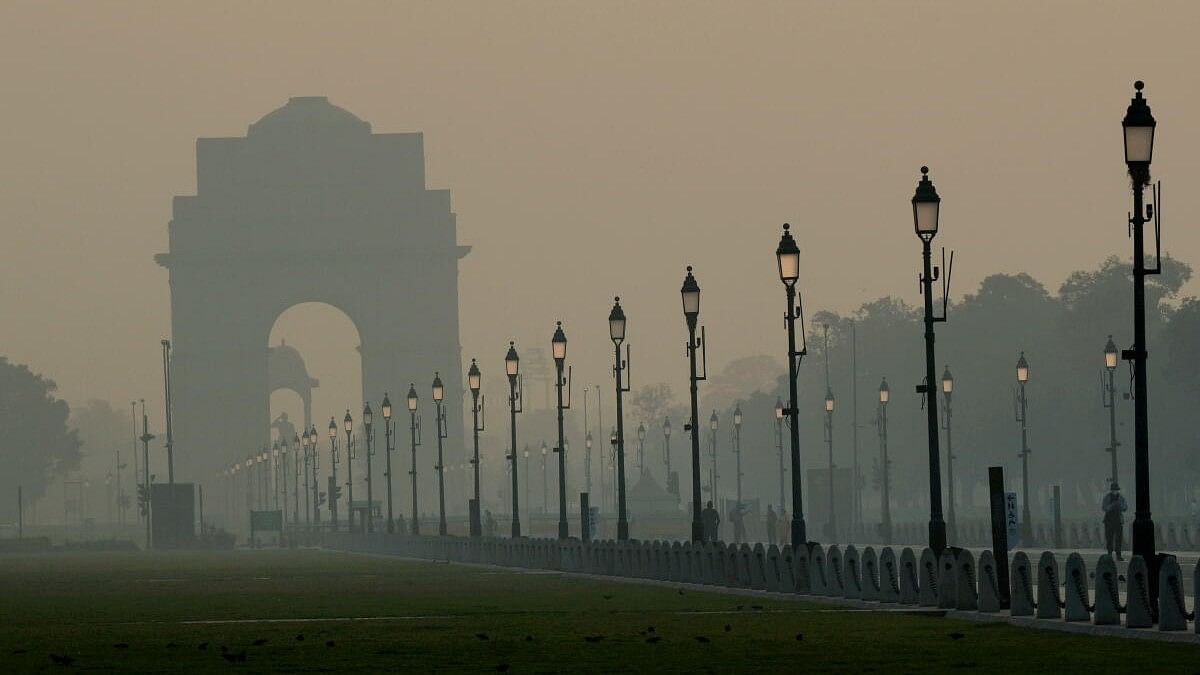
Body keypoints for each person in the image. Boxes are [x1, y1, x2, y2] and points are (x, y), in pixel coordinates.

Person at [1102, 482, 1128, 560]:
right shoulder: (1107, 497)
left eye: (1116, 490)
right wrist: (1113, 505)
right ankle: (1109, 554)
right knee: (1109, 538)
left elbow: (1125, 507)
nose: (1115, 491)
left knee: (1119, 539)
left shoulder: (1121, 498)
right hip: (1109, 520)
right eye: (1114, 490)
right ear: (1111, 490)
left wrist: (1119, 505)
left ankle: (1118, 555)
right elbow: (1104, 508)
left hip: (1118, 520)